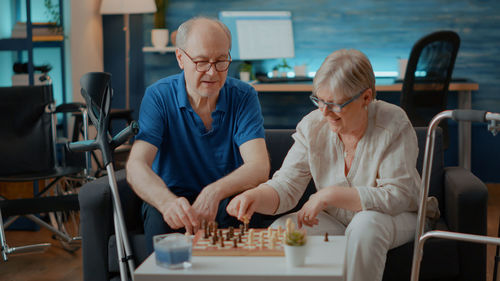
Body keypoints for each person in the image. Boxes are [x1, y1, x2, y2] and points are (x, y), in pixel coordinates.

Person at [227, 49, 439, 281]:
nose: (324, 112)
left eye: (336, 104)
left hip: (399, 215)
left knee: (366, 225)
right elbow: (286, 185)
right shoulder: (312, 126)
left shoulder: (393, 122)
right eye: (319, 100)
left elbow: (398, 195)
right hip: (338, 219)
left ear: (366, 98)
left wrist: (329, 195)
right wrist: (255, 196)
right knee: (282, 230)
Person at [126, 17, 270, 254]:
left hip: (225, 198)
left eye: (221, 61)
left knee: (241, 212)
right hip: (172, 197)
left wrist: (213, 192)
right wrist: (165, 201)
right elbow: (136, 165)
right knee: (159, 222)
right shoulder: (158, 96)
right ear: (180, 58)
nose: (212, 73)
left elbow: (259, 166)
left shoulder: (244, 95)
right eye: (202, 62)